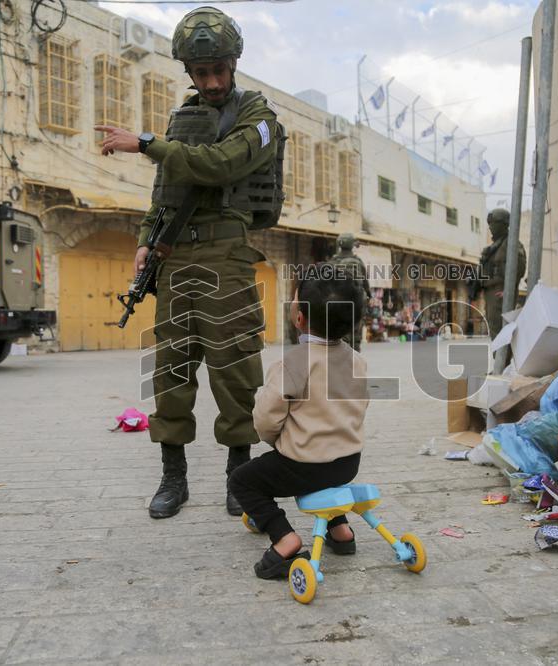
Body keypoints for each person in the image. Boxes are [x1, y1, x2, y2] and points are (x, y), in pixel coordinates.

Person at [96, 6, 282, 519]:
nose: (213, 80)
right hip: (176, 254)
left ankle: (238, 477)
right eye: (202, 72)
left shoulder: (259, 117)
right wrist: (146, 239)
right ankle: (172, 477)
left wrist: (147, 143)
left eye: (220, 69)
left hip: (227, 249)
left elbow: (223, 164)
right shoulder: (183, 119)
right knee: (171, 366)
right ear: (189, 72)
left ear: (234, 62)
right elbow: (166, 192)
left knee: (235, 366)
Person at [228, 273, 369, 579]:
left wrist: (276, 441)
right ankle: (340, 531)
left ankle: (284, 538)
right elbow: (360, 406)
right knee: (320, 471)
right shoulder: (357, 360)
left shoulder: (294, 363)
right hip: (348, 461)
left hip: (305, 462)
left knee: (243, 481)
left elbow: (266, 419)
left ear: (300, 318)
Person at [477, 208, 526, 338]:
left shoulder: (511, 243)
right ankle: (500, 358)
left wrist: (508, 290)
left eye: (493, 223)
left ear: (503, 224)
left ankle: (502, 358)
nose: (490, 227)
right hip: (491, 292)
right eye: (489, 224)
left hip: (501, 291)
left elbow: (520, 267)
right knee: (494, 328)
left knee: (501, 330)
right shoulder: (495, 246)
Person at [327, 233, 371, 351]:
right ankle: (354, 357)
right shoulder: (358, 262)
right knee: (355, 335)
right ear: (352, 245)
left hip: (338, 304)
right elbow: (366, 285)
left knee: (339, 334)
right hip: (357, 304)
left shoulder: (332, 262)